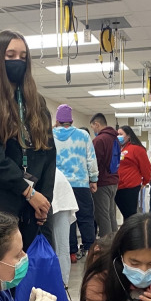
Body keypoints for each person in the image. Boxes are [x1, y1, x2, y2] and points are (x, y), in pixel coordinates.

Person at [0, 30, 56, 251]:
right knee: (3, 268)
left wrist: (44, 199)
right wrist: (28, 192)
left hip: (36, 204)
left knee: (35, 269)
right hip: (1, 200)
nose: (18, 61)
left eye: (23, 56)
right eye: (11, 55)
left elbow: (48, 153)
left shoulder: (36, 101)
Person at [53, 104, 98, 261]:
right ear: (71, 120)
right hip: (80, 183)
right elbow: (91, 159)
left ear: (57, 119)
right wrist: (93, 179)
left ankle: (71, 252)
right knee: (86, 217)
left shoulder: (50, 134)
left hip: (58, 185)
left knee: (66, 218)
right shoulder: (83, 135)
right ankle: (92, 250)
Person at [89, 113, 120, 237]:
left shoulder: (99, 140)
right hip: (113, 181)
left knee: (102, 215)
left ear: (97, 124)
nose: (93, 130)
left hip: (102, 183)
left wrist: (92, 179)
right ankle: (114, 241)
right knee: (111, 214)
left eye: (93, 127)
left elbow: (94, 162)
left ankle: (106, 245)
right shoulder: (115, 138)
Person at [115, 125, 151, 220]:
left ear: (128, 135)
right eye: (117, 134)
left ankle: (132, 233)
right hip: (117, 186)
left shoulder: (137, 149)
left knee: (130, 214)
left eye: (121, 134)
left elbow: (146, 167)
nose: (118, 136)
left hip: (130, 186)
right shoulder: (119, 149)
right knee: (125, 214)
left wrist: (145, 181)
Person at [51, 169, 78, 287]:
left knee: (61, 245)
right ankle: (61, 281)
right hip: (59, 197)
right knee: (60, 245)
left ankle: (62, 282)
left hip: (60, 199)